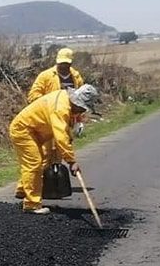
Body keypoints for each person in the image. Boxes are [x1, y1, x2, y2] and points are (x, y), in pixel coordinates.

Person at [9, 83, 99, 214]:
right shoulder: (61, 107)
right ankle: (32, 204)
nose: (80, 112)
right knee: (34, 163)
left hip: (35, 131)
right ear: (76, 102)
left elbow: (64, 131)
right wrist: (71, 161)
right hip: (24, 130)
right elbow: (60, 136)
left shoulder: (66, 101)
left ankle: (23, 189)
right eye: (81, 108)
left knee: (39, 161)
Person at [18, 48, 87, 192]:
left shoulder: (76, 77)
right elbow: (32, 95)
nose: (63, 66)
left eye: (66, 64)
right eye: (61, 63)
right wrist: (49, 104)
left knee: (58, 154)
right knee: (42, 155)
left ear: (71, 63)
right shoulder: (46, 76)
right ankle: (25, 188)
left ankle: (48, 186)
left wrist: (79, 120)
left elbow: (80, 102)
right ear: (57, 61)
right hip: (47, 121)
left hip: (65, 119)